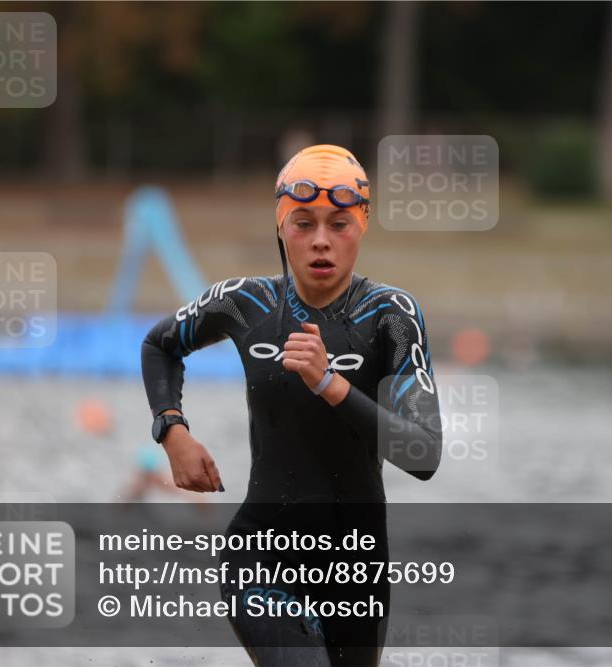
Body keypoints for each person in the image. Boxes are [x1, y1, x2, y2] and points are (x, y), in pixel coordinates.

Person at [140, 144, 442, 666]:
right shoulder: (245, 303)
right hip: (260, 557)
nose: (321, 240)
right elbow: (159, 345)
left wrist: (330, 384)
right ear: (281, 228)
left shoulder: (391, 315)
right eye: (304, 223)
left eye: (339, 224)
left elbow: (423, 455)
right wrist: (172, 431)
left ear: (362, 226)